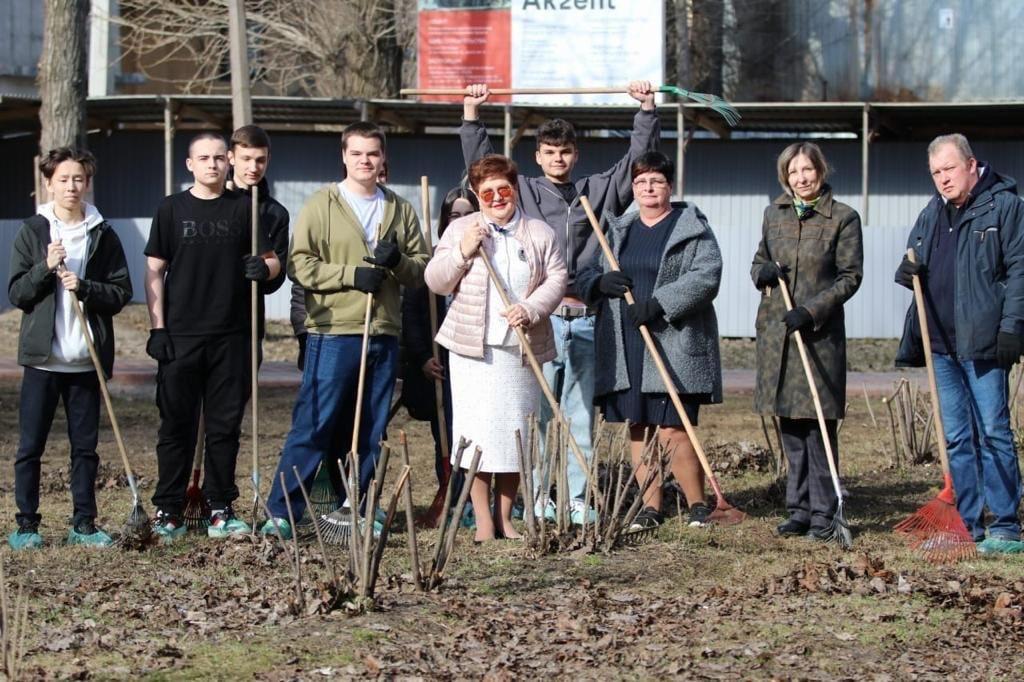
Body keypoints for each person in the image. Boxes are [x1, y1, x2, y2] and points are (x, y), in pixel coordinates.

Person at [461, 80, 659, 523]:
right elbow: (482, 168)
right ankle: (535, 498)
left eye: (565, 151)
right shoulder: (524, 192)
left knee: (578, 415)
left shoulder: (598, 190)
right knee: (534, 414)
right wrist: (472, 116)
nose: (558, 159)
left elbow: (634, 165)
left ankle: (576, 498)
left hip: (586, 318)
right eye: (550, 152)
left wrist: (646, 109)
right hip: (539, 319)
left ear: (575, 154)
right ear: (537, 156)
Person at [261, 122, 429, 539]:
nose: (365, 161)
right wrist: (351, 275)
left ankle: (358, 503)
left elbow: (422, 270)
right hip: (333, 329)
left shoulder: (400, 209)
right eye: (357, 153)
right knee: (315, 422)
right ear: (344, 156)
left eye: (372, 153)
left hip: (383, 330)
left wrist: (396, 263)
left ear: (383, 158)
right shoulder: (323, 204)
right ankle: (283, 510)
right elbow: (300, 264)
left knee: (371, 426)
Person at [145, 132, 281, 543]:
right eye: (203, 158)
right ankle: (168, 508)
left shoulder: (246, 208)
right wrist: (157, 328)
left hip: (232, 336)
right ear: (190, 164)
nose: (212, 165)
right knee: (176, 427)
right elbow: (154, 270)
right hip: (182, 335)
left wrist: (266, 270)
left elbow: (274, 260)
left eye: (219, 158)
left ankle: (221, 506)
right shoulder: (171, 209)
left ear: (229, 163)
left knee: (224, 427)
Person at [424, 155, 567, 542]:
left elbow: (556, 277)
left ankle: (506, 517)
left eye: (504, 189)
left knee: (514, 434)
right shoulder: (460, 230)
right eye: (487, 192)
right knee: (478, 436)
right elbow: (435, 280)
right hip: (472, 351)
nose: (497, 197)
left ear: (515, 189)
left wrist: (531, 308)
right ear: (476, 194)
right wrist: (462, 251)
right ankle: (483, 520)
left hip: (519, 350)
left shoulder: (539, 232)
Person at [578, 151, 722, 530]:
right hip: (628, 340)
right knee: (638, 425)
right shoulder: (618, 229)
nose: (648, 188)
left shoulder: (690, 226)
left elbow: (706, 276)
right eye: (641, 182)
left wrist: (660, 303)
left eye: (656, 181)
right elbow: (589, 271)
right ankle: (651, 508)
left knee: (674, 426)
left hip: (672, 338)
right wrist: (599, 283)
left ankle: (697, 505)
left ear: (669, 186)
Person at [895, 133, 1024, 555]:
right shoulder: (933, 211)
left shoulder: (1005, 205)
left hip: (984, 341)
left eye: (948, 169)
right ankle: (968, 526)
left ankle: (1005, 526)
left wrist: (1013, 327)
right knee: (956, 438)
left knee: (993, 432)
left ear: (971, 165)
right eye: (935, 172)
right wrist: (907, 266)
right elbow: (914, 255)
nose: (942, 179)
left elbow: (1021, 270)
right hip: (942, 343)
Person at [7, 147, 132, 550]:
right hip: (43, 360)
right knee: (30, 447)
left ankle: (84, 523)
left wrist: (86, 287)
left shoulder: (103, 232)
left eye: (78, 179)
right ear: (48, 183)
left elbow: (120, 292)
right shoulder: (33, 230)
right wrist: (46, 268)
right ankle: (27, 524)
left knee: (85, 449)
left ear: (88, 183)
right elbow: (17, 293)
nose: (71, 186)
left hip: (84, 360)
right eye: (63, 179)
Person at [751, 142, 863, 541]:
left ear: (821, 170)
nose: (801, 178)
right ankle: (797, 510)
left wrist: (812, 310)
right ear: (786, 176)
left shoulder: (843, 218)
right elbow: (757, 262)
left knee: (817, 426)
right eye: (793, 172)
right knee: (790, 424)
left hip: (817, 337)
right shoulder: (773, 214)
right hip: (779, 335)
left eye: (808, 170)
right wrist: (763, 272)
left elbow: (849, 277)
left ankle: (823, 512)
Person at [400, 187, 478, 515]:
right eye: (454, 215)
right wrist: (421, 358)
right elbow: (414, 316)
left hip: (477, 360)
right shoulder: (433, 260)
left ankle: (478, 497)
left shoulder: (487, 255)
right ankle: (449, 488)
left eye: (467, 214)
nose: (460, 221)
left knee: (478, 430)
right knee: (445, 430)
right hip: (442, 363)